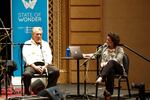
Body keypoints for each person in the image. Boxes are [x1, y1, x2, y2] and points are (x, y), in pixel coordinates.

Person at [22, 27, 60, 95]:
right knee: (26, 74)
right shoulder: (27, 43)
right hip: (32, 65)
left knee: (55, 71)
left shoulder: (45, 44)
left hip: (44, 64)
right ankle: (27, 93)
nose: (39, 36)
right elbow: (26, 57)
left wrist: (45, 66)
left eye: (40, 34)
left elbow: (49, 56)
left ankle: (48, 91)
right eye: (37, 34)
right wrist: (35, 67)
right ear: (33, 35)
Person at [93, 32, 125, 100]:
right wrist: (85, 55)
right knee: (111, 71)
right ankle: (108, 95)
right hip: (109, 70)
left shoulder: (120, 49)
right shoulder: (104, 48)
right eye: (106, 39)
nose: (106, 41)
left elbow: (117, 60)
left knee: (111, 62)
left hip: (118, 69)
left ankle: (101, 77)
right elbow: (95, 55)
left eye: (108, 40)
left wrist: (106, 63)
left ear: (113, 42)